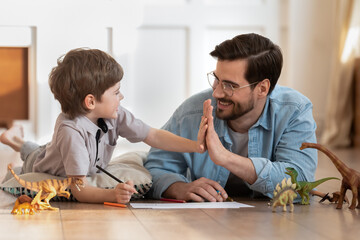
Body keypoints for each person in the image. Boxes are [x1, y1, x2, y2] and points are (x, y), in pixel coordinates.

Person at [0, 48, 208, 204]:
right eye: (116, 92)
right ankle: (14, 140)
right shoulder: (70, 132)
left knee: (41, 146)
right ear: (91, 102)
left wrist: (195, 145)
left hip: (61, 150)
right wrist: (111, 194)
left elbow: (152, 135)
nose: (122, 96)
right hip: (46, 162)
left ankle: (15, 138)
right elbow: (79, 190)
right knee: (33, 153)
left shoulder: (114, 113)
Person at [144, 33, 318, 202]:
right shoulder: (192, 112)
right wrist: (179, 188)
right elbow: (156, 167)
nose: (217, 92)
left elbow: (300, 182)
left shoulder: (294, 111)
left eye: (230, 85)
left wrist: (226, 158)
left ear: (262, 89)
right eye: (217, 79)